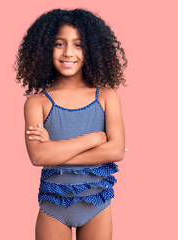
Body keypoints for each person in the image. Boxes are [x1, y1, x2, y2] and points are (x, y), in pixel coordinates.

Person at [13, 8, 127, 240]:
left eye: (78, 44)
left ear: (93, 50)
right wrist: (94, 139)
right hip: (53, 207)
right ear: (45, 49)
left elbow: (116, 150)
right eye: (59, 44)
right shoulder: (37, 103)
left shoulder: (107, 97)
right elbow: (38, 157)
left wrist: (55, 153)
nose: (68, 53)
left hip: (97, 205)